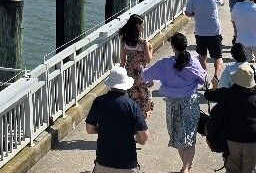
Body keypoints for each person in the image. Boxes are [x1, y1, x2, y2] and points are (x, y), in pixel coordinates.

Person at [142, 32, 206, 173]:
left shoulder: (164, 64)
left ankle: (185, 167)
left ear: (173, 47)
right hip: (190, 103)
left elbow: (145, 74)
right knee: (190, 136)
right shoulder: (193, 61)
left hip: (172, 105)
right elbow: (203, 79)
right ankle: (187, 168)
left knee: (178, 137)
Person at [204, 63, 256, 173]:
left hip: (232, 137)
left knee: (232, 169)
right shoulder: (255, 99)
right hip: (252, 138)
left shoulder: (226, 93)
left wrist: (214, 86)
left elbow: (208, 95)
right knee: (249, 170)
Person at [85, 65, 149, 173]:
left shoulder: (98, 102)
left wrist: (105, 129)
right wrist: (139, 140)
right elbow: (144, 135)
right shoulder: (131, 105)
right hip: (127, 164)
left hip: (103, 162)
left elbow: (89, 129)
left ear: (110, 84)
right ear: (125, 85)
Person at [184, 0, 225, 82]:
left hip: (200, 32)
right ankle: (216, 76)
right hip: (214, 31)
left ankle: (205, 76)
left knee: (202, 56)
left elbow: (187, 13)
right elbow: (222, 3)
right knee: (218, 57)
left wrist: (194, 13)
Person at [118, 15, 153, 117]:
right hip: (140, 73)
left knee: (132, 95)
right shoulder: (143, 43)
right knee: (143, 95)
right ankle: (142, 119)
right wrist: (150, 49)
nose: (143, 27)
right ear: (138, 26)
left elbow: (122, 61)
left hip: (129, 72)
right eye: (142, 24)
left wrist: (120, 76)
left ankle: (132, 116)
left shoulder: (124, 41)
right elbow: (148, 60)